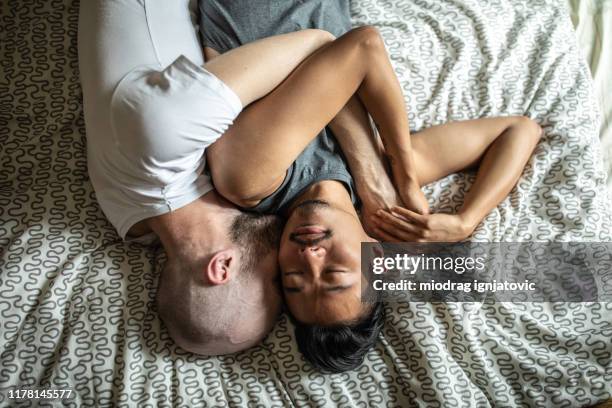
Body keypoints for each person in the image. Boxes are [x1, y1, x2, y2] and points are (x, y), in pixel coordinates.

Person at [199, 0, 542, 372]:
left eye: (293, 278)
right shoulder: (385, 188)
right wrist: (465, 221)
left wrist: (388, 176)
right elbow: (520, 131)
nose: (310, 256)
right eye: (333, 274)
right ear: (376, 258)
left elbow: (362, 47)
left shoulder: (250, 181)